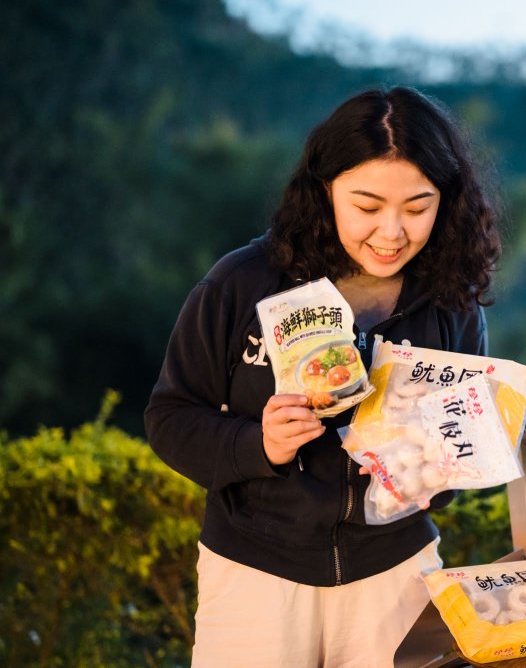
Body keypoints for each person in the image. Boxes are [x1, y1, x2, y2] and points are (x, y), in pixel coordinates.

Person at [145, 86, 502, 667]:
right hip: (256, 573)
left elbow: (463, 451)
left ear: (448, 201)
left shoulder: (450, 303)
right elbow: (169, 418)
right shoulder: (242, 284)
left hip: (397, 572)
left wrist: (438, 467)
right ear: (324, 190)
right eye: (366, 206)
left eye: (417, 208)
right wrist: (256, 443)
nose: (392, 233)